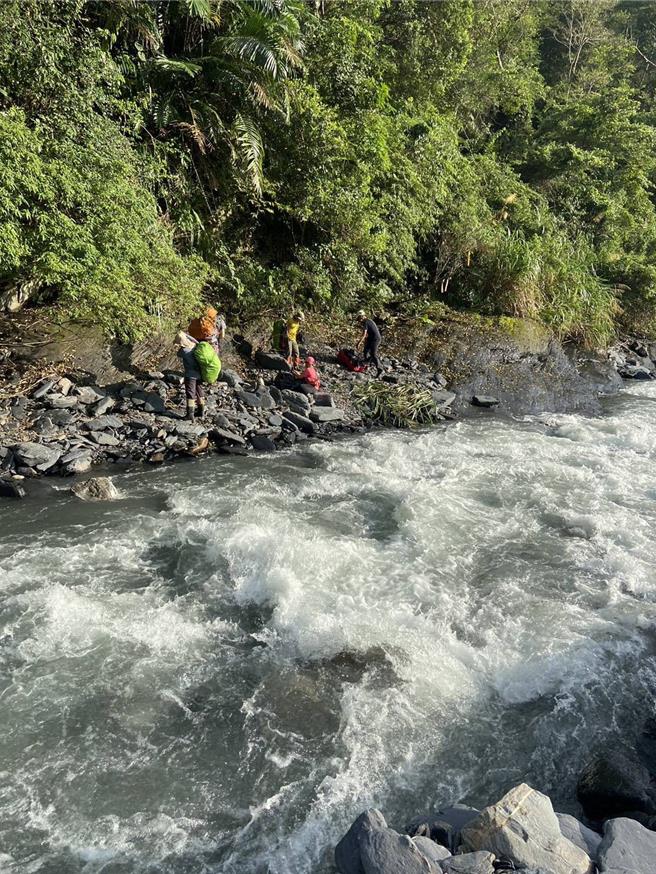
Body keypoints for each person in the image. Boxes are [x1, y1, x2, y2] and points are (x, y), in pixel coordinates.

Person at [177, 331, 205, 421]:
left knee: (190, 393)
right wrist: (187, 336)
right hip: (199, 374)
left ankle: (190, 414)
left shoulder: (183, 351)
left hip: (190, 376)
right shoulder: (196, 347)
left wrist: (181, 344)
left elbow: (178, 354)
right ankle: (201, 412)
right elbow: (195, 341)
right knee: (199, 392)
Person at [356, 310, 382, 376]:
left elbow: (364, 335)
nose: (359, 320)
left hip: (376, 339)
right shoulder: (368, 321)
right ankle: (366, 364)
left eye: (359, 318)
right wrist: (365, 342)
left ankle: (379, 368)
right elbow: (367, 335)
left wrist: (359, 343)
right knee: (365, 351)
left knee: (373, 354)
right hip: (370, 338)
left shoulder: (366, 322)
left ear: (362, 317)